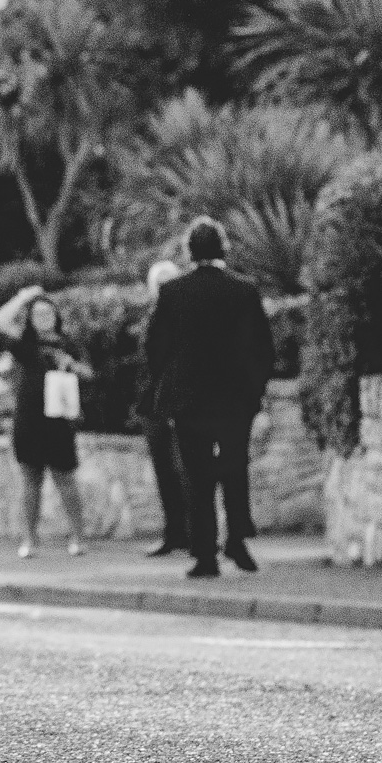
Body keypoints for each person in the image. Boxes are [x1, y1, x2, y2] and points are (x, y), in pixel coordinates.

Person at [144, 218, 275, 579]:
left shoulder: (173, 292)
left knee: (196, 477)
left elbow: (155, 346)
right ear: (224, 249)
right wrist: (255, 391)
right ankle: (236, 540)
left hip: (190, 402)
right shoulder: (244, 291)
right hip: (235, 400)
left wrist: (168, 386)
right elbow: (262, 347)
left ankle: (205, 554)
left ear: (190, 252)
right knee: (235, 468)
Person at [0, 286, 91, 559]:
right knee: (30, 481)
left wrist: (70, 365)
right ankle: (30, 539)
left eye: (48, 312)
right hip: (29, 418)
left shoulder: (68, 343)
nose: (44, 317)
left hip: (59, 419)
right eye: (37, 313)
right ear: (30, 318)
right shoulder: (24, 343)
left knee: (65, 479)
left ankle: (78, 536)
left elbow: (89, 372)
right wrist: (24, 297)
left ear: (56, 315)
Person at [139, 259, 189, 558]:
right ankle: (174, 534)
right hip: (153, 406)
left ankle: (197, 534)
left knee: (186, 470)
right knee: (164, 472)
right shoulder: (151, 317)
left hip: (179, 405)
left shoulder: (185, 319)